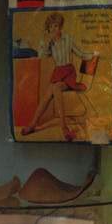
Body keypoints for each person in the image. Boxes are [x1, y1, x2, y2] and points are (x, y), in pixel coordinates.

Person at [20, 12, 96, 141]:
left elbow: (81, 54)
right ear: (48, 29)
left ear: (60, 26)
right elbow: (42, 55)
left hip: (68, 73)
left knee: (55, 88)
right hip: (57, 73)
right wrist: (45, 41)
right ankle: (33, 124)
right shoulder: (50, 43)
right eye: (51, 27)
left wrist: (94, 54)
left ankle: (63, 127)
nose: (54, 29)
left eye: (56, 26)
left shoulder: (68, 39)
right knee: (46, 96)